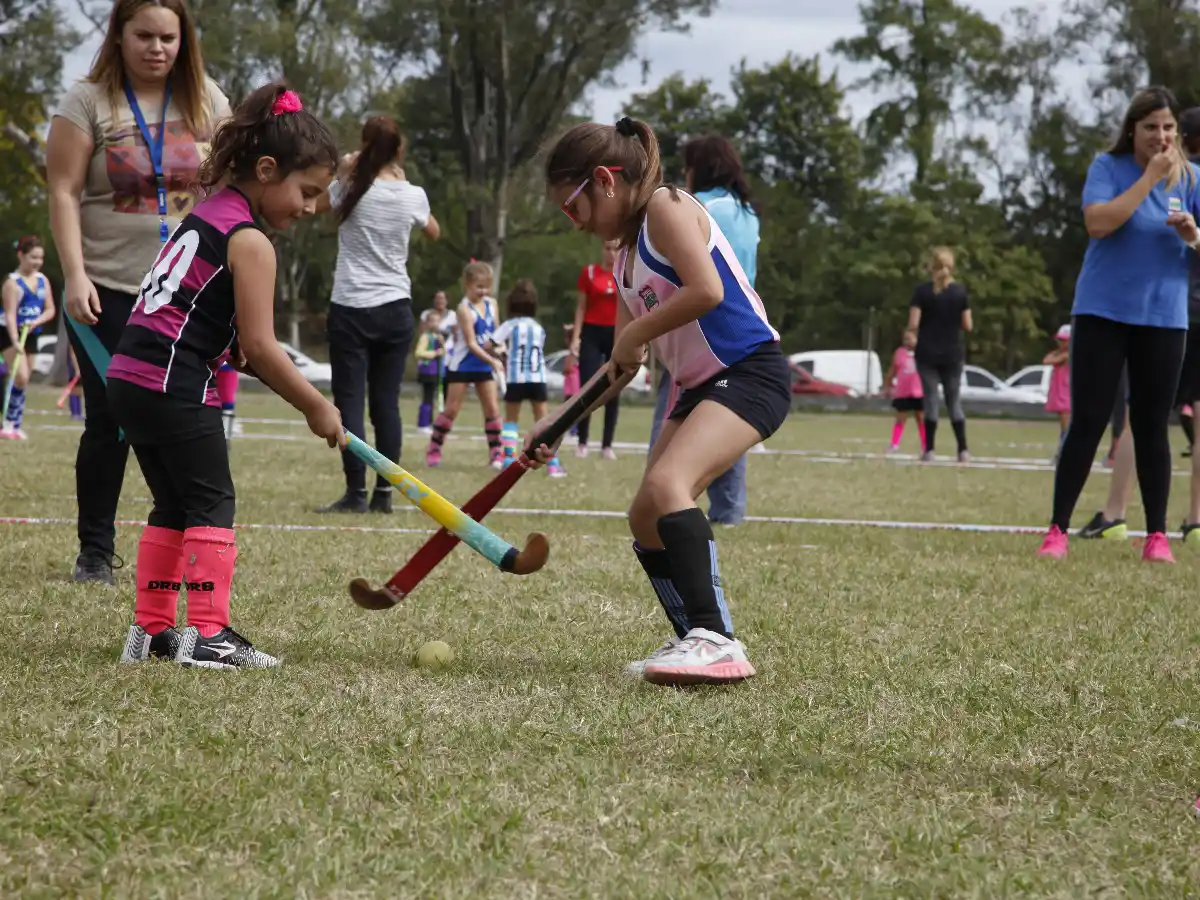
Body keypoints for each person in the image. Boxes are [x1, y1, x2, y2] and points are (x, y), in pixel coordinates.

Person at [526, 115, 791, 686]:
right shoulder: (621, 257)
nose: (573, 223)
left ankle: (716, 637)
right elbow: (621, 366)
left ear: (606, 180)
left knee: (669, 485)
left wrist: (637, 332)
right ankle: (691, 636)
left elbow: (707, 290)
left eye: (574, 207)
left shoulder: (668, 208)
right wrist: (559, 420)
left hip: (748, 372)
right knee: (646, 515)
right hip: (699, 386)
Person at [108, 82, 343, 669]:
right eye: (307, 192)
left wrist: (228, 344)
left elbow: (207, 315)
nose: (312, 208)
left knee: (173, 503)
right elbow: (264, 349)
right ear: (267, 169)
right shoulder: (251, 240)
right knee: (212, 503)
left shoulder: (209, 215)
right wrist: (316, 405)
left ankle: (153, 632)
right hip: (174, 380)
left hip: (131, 378)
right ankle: (209, 634)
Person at [47, 0, 231, 585]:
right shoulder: (87, 101)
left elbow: (230, 191)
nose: (157, 48)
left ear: (185, 41)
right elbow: (63, 191)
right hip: (104, 288)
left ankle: (180, 542)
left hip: (184, 292)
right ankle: (95, 553)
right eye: (144, 36)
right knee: (111, 418)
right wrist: (74, 274)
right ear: (119, 37)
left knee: (177, 417)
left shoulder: (208, 101)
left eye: (168, 38)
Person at [1038, 86, 1200, 563]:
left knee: (1152, 425)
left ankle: (1156, 537)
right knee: (1087, 420)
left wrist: (1195, 236)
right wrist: (1149, 178)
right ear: (1133, 129)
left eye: (1168, 127)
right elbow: (1100, 223)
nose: (1161, 135)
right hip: (1102, 312)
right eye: (1151, 127)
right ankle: (1056, 530)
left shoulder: (1192, 177)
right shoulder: (1108, 169)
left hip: (1164, 317)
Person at [316, 115, 439, 514]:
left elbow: (314, 204)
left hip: (351, 305)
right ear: (399, 151)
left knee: (349, 401)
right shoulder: (412, 194)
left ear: (364, 146)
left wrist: (345, 168)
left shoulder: (351, 187)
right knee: (386, 404)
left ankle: (355, 493)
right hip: (395, 308)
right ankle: (385, 495)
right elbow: (433, 231)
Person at [677, 134, 762, 525]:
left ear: (701, 167)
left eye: (688, 164)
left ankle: (669, 502)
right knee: (728, 421)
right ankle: (729, 510)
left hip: (704, 328)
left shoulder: (701, 207)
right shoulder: (747, 211)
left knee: (677, 418)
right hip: (745, 327)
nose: (683, 173)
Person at [427, 260, 505, 468]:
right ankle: (434, 448)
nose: (483, 291)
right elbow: (471, 343)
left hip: (483, 365)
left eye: (486, 286)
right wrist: (493, 361)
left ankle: (496, 453)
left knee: (492, 410)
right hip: (462, 365)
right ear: (467, 284)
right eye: (478, 286)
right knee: (451, 410)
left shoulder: (492, 304)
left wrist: (501, 349)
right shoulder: (463, 309)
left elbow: (496, 334)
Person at [491, 279, 566, 477]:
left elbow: (490, 345)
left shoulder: (510, 325)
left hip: (516, 377)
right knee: (543, 421)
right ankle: (553, 464)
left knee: (511, 420)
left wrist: (501, 354)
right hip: (537, 377)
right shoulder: (538, 327)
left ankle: (508, 459)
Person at [907, 247, 972, 463]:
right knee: (954, 402)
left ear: (931, 266)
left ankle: (930, 450)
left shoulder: (922, 292)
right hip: (952, 353)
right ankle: (963, 450)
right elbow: (968, 325)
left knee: (931, 401)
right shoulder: (960, 292)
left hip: (926, 353)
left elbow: (913, 323)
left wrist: (913, 334)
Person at [571, 240, 622, 459]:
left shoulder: (624, 275)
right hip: (592, 333)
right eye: (608, 248)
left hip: (615, 333)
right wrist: (576, 337)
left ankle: (606, 445)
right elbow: (581, 307)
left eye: (615, 249)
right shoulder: (589, 273)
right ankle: (582, 442)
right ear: (602, 249)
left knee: (614, 387)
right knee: (587, 386)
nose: (611, 253)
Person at [1, 236, 56, 439]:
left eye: (40, 258)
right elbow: (9, 314)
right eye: (33, 257)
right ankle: (7, 422)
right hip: (9, 333)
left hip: (32, 333)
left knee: (23, 380)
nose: (37, 262)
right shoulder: (12, 283)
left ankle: (15, 424)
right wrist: (15, 341)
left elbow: (50, 310)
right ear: (21, 255)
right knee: (21, 375)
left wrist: (36, 322)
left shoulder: (43, 280)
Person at [883, 328, 924, 454]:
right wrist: (888, 384)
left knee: (921, 419)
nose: (906, 342)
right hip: (903, 392)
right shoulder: (900, 353)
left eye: (909, 338)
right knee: (900, 418)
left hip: (919, 391)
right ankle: (895, 444)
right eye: (905, 339)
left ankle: (926, 446)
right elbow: (893, 369)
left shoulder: (923, 352)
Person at [413, 312, 445, 435]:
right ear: (427, 323)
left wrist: (442, 346)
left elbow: (443, 352)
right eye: (432, 321)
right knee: (427, 398)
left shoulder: (437, 337)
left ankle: (429, 423)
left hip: (435, 371)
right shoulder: (425, 337)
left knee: (432, 399)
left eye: (437, 321)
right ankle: (423, 424)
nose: (435, 324)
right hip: (427, 371)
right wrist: (434, 353)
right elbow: (419, 352)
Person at [1044, 324, 1072, 462]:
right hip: (1059, 394)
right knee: (1064, 427)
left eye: (1064, 340)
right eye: (1060, 339)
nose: (1061, 342)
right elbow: (1046, 359)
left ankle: (1063, 455)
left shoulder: (1068, 355)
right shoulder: (1060, 353)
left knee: (1066, 428)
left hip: (1066, 395)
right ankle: (1063, 454)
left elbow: (1050, 360)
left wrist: (1059, 354)